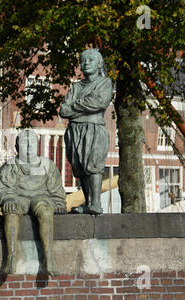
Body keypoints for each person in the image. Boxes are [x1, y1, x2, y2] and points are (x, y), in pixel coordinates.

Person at [0, 129, 67, 275]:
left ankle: (49, 258)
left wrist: (59, 203)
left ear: (38, 145)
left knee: (46, 211)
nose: (28, 148)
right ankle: (11, 257)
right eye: (24, 144)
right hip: (18, 197)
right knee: (12, 210)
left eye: (32, 144)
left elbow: (56, 189)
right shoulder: (10, 166)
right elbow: (3, 188)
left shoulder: (47, 165)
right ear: (17, 147)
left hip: (41, 197)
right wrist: (8, 199)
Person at [59, 48, 113, 215]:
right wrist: (83, 106)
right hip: (74, 130)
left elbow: (99, 103)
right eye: (83, 61)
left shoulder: (105, 83)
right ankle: (87, 202)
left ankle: (96, 203)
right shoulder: (76, 87)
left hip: (94, 128)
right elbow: (63, 110)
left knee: (93, 165)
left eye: (90, 60)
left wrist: (75, 106)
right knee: (79, 167)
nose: (86, 63)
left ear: (99, 64)